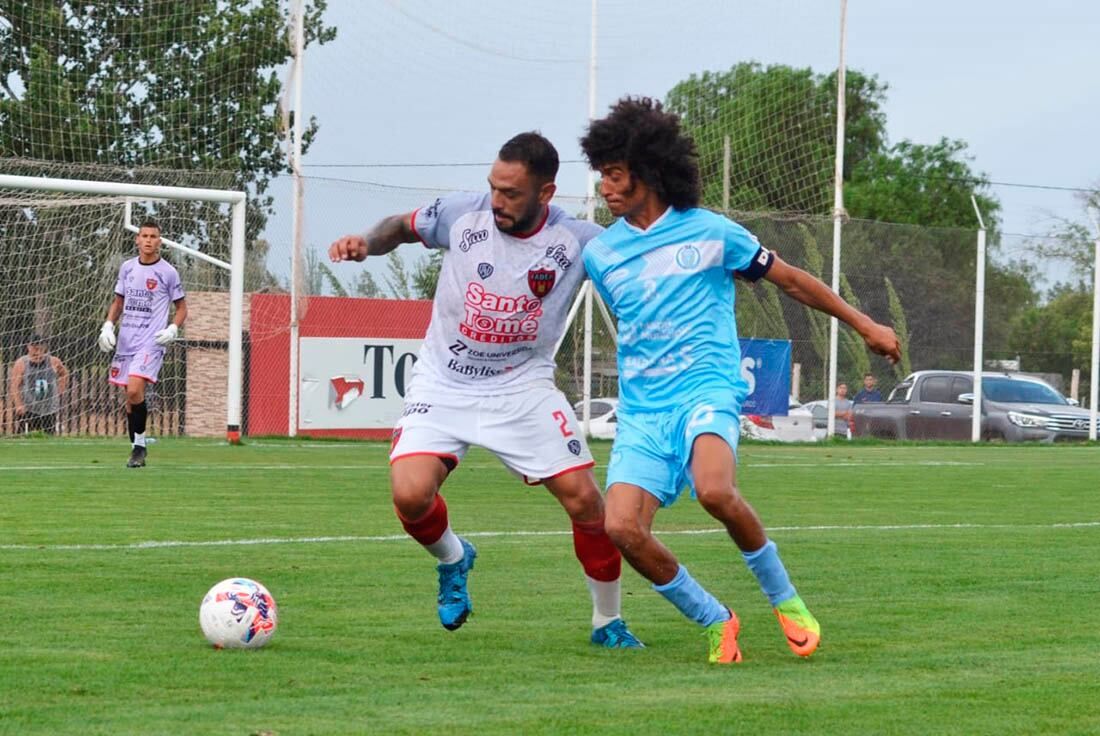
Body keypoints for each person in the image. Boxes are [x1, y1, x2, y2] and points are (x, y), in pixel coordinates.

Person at [579, 97, 901, 664]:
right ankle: (715, 618)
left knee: (715, 491)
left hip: (706, 391)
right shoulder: (602, 253)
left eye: (615, 174)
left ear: (648, 172)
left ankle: (787, 601)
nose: (605, 188)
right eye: (602, 175)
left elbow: (794, 282)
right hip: (643, 413)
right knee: (622, 528)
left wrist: (864, 323)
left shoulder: (710, 233)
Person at [327, 132, 642, 649]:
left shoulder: (581, 241)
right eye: (494, 187)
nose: (497, 200)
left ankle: (607, 622)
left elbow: (641, 257)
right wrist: (366, 241)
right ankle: (454, 558)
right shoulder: (461, 215)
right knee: (409, 495)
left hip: (523, 387)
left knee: (587, 502)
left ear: (546, 193)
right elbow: (399, 227)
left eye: (511, 193)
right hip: (444, 381)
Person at [97, 219, 187, 468]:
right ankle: (138, 447)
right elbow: (118, 302)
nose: (148, 240)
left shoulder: (168, 272)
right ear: (137, 240)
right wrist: (107, 325)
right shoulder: (126, 268)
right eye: (144, 236)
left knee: (135, 389)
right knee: (130, 396)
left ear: (160, 241)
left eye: (153, 236)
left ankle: (139, 447)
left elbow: (181, 307)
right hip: (127, 339)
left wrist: (173, 327)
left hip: (152, 341)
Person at [8, 334, 69, 434]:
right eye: (34, 349)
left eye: (40, 348)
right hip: (29, 408)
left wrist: (60, 389)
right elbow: (14, 386)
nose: (37, 352)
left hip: (49, 408)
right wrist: (19, 404)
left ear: (44, 348)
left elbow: (64, 374)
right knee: (24, 437)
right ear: (28, 347)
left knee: (48, 437)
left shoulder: (53, 361)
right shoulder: (22, 363)